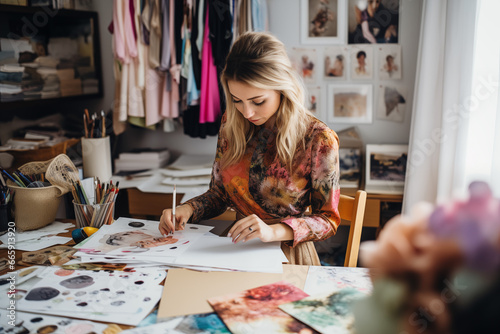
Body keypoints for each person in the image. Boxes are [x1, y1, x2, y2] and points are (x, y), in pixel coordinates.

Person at [159, 31, 341, 265]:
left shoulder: (318, 139)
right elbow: (219, 195)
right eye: (237, 100)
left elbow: (328, 220)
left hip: (288, 254)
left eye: (258, 101)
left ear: (281, 88)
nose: (247, 112)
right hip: (237, 249)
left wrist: (273, 231)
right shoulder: (230, 123)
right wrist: (187, 209)